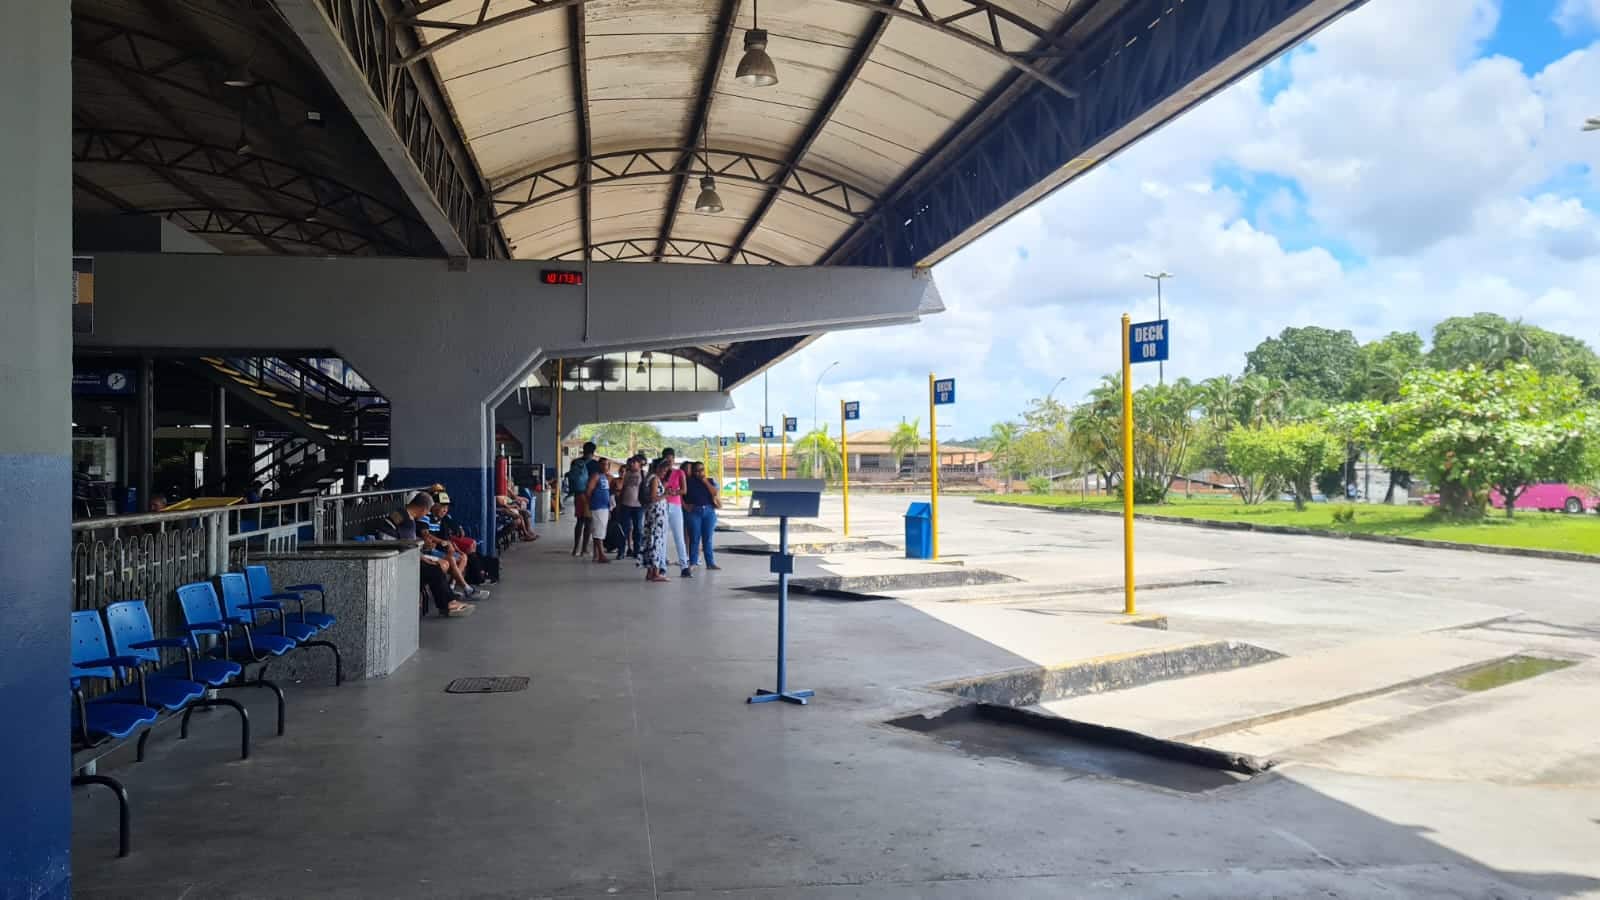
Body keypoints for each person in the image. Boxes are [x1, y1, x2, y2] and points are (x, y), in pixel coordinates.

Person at [374, 491, 472, 617]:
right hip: (395, 561)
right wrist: (424, 556)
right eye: (427, 511)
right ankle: (448, 604)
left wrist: (423, 557)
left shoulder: (400, 512)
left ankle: (446, 601)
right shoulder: (407, 521)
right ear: (423, 508)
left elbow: (407, 546)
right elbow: (409, 548)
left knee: (432, 567)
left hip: (392, 556)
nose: (426, 514)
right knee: (434, 570)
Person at [683, 460, 721, 570]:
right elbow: (681, 494)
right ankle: (693, 562)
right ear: (693, 472)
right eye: (697, 470)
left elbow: (714, 493)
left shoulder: (709, 481)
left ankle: (710, 562)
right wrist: (685, 506)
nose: (700, 472)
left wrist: (705, 481)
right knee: (695, 537)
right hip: (694, 511)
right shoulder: (688, 482)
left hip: (708, 511)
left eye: (702, 470)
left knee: (708, 538)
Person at [661, 447, 691, 578]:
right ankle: (661, 565)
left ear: (674, 459)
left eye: (671, 459)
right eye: (666, 459)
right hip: (662, 505)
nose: (669, 461)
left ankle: (684, 566)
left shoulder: (679, 473)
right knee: (662, 537)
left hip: (676, 505)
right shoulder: (660, 473)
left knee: (679, 537)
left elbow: (684, 490)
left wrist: (675, 492)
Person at [641, 458, 670, 583]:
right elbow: (653, 497)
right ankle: (656, 573)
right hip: (656, 515)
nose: (665, 473)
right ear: (658, 468)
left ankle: (651, 572)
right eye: (664, 470)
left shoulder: (650, 478)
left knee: (652, 542)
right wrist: (666, 494)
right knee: (656, 542)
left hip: (653, 514)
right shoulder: (654, 479)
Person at [568, 441, 597, 556]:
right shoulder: (595, 464)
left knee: (579, 521)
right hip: (589, 496)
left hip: (578, 495)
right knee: (588, 522)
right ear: (593, 452)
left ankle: (575, 548)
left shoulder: (575, 462)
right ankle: (584, 549)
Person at [585, 457, 615, 563]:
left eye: (606, 464)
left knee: (599, 530)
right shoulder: (596, 476)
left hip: (604, 507)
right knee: (598, 531)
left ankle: (596, 555)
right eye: (603, 464)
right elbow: (588, 490)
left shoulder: (605, 477)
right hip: (598, 507)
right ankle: (601, 555)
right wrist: (591, 503)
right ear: (599, 465)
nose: (605, 466)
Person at [616, 456, 644, 560]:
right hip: (626, 505)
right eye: (631, 463)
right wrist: (619, 502)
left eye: (634, 463)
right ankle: (621, 551)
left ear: (639, 464)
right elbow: (624, 488)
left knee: (638, 529)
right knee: (624, 529)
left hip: (638, 506)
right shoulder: (627, 474)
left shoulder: (643, 474)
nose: (632, 464)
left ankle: (637, 551)